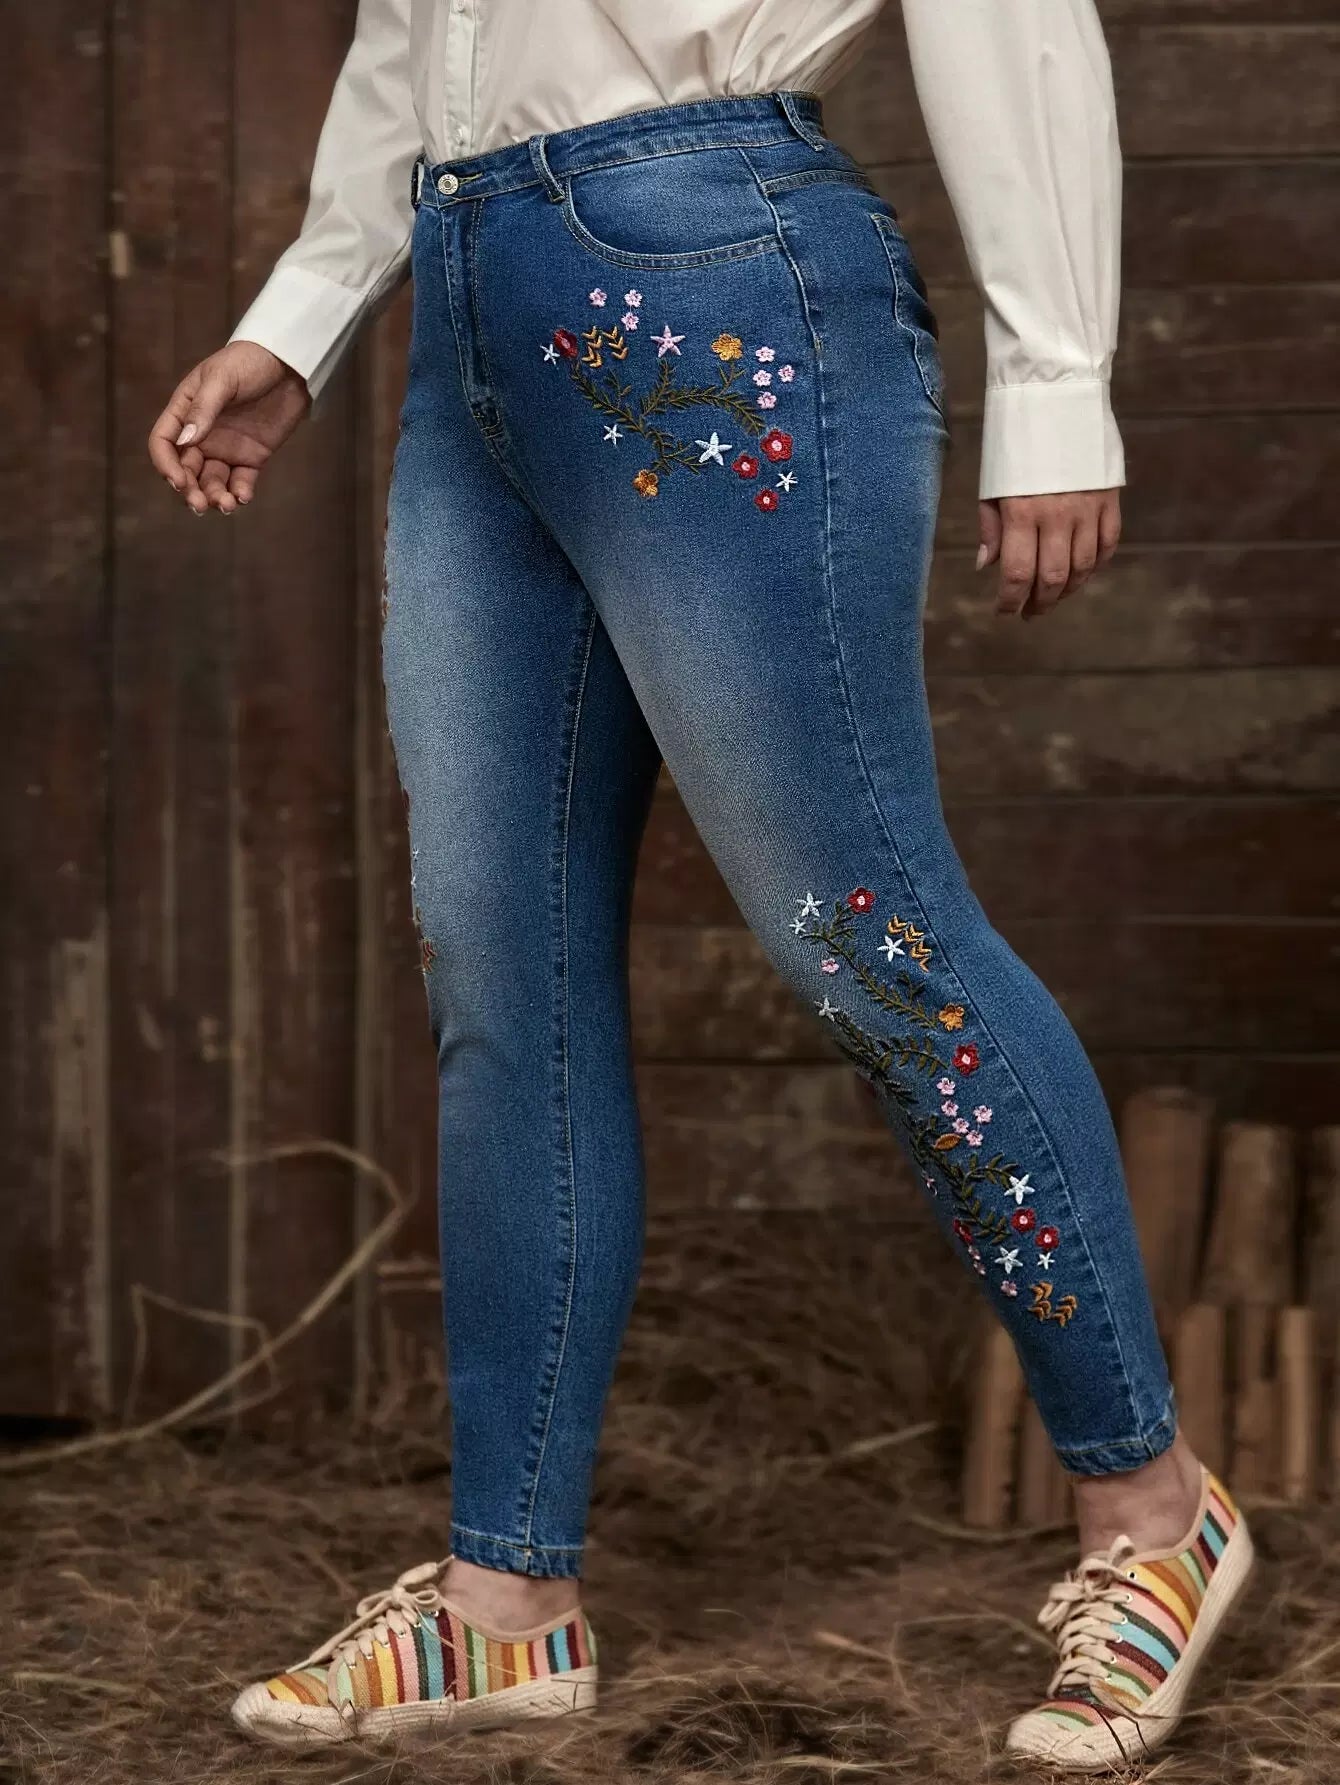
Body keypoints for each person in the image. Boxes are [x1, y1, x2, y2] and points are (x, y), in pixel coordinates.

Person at [149, 0, 1254, 1768]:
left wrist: (1056, 372)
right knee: (495, 974)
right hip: (470, 300)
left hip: (716, 260)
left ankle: (1155, 1513)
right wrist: (306, 307)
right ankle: (505, 1601)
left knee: (866, 939)